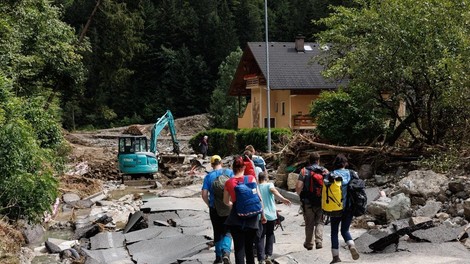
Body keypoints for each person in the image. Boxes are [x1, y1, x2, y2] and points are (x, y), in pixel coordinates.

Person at [224, 155, 266, 264]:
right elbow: (259, 199)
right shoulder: (251, 179)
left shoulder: (228, 183)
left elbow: (225, 201)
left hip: (236, 219)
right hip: (251, 219)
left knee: (239, 249)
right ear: (244, 168)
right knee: (249, 249)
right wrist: (263, 215)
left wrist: (232, 204)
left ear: (232, 169)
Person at [202, 155, 235, 264]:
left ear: (211, 164)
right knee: (228, 231)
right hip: (228, 207)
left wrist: (209, 204)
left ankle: (218, 257)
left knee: (217, 231)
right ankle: (226, 252)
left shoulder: (208, 177)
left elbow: (204, 194)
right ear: (221, 162)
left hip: (214, 207)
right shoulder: (229, 173)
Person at [329, 154, 360, 263]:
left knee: (334, 232)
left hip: (335, 208)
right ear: (345, 163)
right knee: (345, 230)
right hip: (349, 207)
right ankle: (351, 245)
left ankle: (336, 257)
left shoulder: (331, 174)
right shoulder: (352, 173)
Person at [255, 172, 291, 264]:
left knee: (260, 236)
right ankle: (268, 255)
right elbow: (273, 191)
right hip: (270, 215)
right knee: (270, 234)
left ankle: (261, 259)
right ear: (266, 178)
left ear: (258, 179)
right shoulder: (269, 185)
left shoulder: (256, 187)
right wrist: (283, 199)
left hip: (259, 215)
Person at [295, 152, 329, 251]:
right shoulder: (325, 171)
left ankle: (309, 243)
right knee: (320, 221)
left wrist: (300, 194)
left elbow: (298, 187)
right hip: (321, 201)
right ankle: (319, 241)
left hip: (308, 201)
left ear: (309, 160)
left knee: (309, 223)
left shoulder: (304, 171)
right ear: (318, 160)